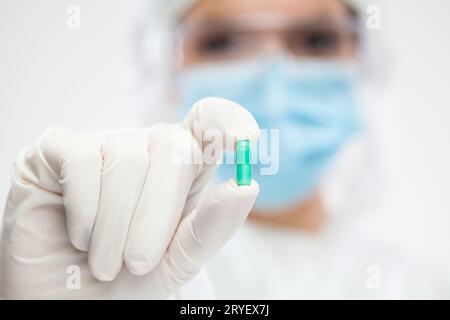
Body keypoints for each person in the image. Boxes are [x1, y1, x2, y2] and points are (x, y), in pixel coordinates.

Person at [0, 0, 448, 299]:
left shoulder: (419, 287)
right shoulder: (106, 267)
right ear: (165, 69)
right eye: (223, 42)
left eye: (315, 40)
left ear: (366, 63)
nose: (275, 85)